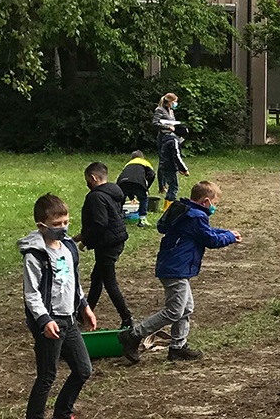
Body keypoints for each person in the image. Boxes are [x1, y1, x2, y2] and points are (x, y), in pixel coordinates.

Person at [119, 180, 243, 364]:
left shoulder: (186, 211)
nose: (215, 208)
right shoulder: (196, 217)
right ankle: (133, 335)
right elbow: (209, 239)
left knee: (186, 308)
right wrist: (229, 237)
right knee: (175, 311)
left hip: (175, 266)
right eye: (215, 204)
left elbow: (205, 232)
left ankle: (178, 347)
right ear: (206, 202)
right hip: (175, 269)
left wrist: (226, 231)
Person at [20, 193, 97, 419]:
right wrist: (44, 320)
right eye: (56, 224)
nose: (63, 228)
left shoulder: (68, 248)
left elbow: (71, 281)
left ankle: (62, 417)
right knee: (47, 375)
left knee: (83, 369)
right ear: (41, 226)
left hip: (69, 319)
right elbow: (31, 294)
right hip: (49, 323)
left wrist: (84, 306)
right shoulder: (35, 255)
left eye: (66, 222)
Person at [77, 162, 133, 330]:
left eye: (87, 180)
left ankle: (127, 319)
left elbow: (100, 224)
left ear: (93, 178)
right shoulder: (114, 192)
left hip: (107, 244)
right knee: (97, 278)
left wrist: (86, 241)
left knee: (109, 282)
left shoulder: (95, 196)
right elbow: (110, 217)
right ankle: (85, 313)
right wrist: (82, 234)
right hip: (117, 240)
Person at [154, 92, 186, 202]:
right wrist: (168, 126)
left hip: (171, 136)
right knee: (163, 161)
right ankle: (162, 186)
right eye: (174, 102)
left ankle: (169, 182)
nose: (176, 104)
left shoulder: (171, 111)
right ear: (169, 102)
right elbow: (155, 123)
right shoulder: (159, 110)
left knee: (171, 158)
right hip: (163, 137)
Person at [118, 151, 156, 225]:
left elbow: (129, 181)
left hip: (122, 182)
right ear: (142, 157)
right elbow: (152, 174)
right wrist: (147, 187)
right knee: (143, 198)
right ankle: (142, 220)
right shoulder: (145, 163)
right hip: (139, 182)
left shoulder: (128, 164)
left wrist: (131, 197)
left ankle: (118, 218)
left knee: (120, 200)